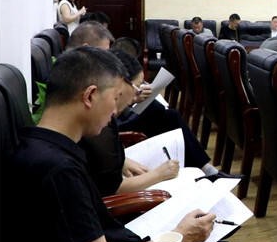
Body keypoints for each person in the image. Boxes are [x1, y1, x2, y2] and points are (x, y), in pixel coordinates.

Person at [0, 47, 265, 242]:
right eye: (115, 98)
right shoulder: (58, 171)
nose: (116, 111)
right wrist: (180, 236)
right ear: (90, 96)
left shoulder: (38, 144)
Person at [81, 50, 233, 196]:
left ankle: (205, 169)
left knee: (167, 115)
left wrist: (124, 160)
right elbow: (112, 188)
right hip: (122, 201)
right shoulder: (98, 124)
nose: (138, 91)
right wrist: (159, 174)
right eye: (137, 86)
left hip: (122, 172)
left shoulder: (99, 119)